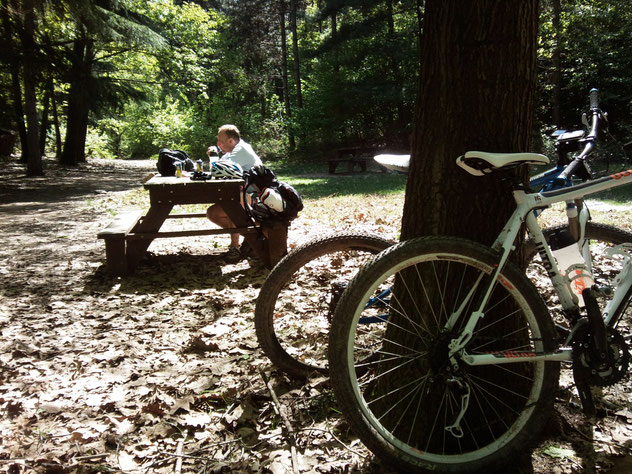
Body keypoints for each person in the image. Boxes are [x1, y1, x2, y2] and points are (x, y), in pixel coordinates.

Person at [206, 124, 263, 261]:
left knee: (231, 205)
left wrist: (213, 155)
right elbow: (218, 167)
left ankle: (235, 248)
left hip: (257, 197)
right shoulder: (232, 152)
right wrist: (215, 157)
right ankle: (252, 239)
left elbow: (216, 169)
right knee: (213, 213)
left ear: (231, 141)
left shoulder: (241, 150)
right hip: (244, 195)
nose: (218, 144)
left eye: (220, 141)